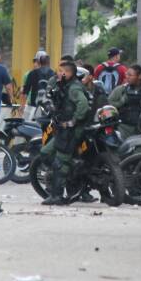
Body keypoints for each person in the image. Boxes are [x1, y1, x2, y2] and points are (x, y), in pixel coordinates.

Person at [42, 60, 91, 205]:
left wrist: (73, 121)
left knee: (61, 162)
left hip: (71, 130)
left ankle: (57, 195)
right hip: (62, 129)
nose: (58, 73)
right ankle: (69, 167)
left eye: (61, 71)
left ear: (68, 73)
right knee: (45, 153)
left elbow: (83, 105)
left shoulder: (74, 88)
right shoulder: (64, 86)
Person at [108, 64, 141, 137]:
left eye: (130, 75)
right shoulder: (121, 90)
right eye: (127, 74)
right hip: (124, 128)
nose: (127, 77)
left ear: (139, 76)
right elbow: (110, 104)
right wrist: (121, 102)